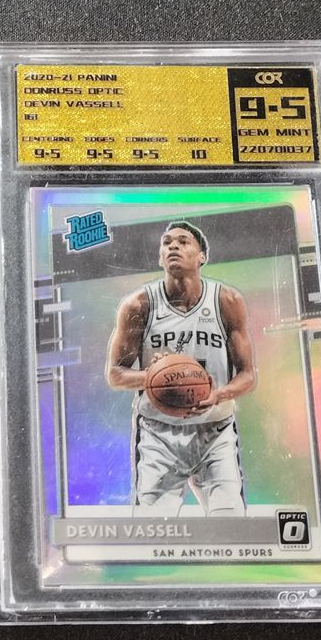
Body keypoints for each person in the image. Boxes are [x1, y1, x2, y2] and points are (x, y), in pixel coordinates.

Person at [104, 220, 257, 517]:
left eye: (183, 241)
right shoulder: (138, 305)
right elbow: (115, 374)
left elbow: (248, 375)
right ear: (160, 257)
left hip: (215, 431)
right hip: (159, 434)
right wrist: (152, 376)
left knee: (231, 526)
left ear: (202, 256)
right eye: (166, 242)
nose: (173, 246)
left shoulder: (227, 301)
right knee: (154, 531)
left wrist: (218, 394)